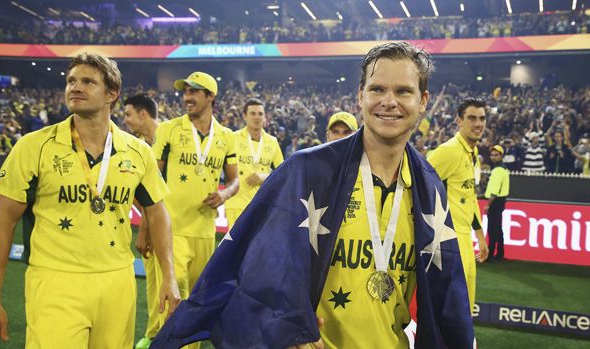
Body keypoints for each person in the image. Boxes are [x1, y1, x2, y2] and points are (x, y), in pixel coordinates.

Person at [152, 41, 473, 349]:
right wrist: (280, 331)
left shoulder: (428, 188)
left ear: (424, 100)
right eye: (377, 89)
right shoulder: (306, 171)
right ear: (360, 95)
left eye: (403, 91)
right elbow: (251, 275)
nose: (389, 101)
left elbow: (446, 298)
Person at [0, 53, 180, 349]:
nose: (75, 87)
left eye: (88, 82)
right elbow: (2, 223)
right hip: (55, 281)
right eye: (71, 81)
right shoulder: (33, 147)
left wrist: (169, 277)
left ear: (111, 94)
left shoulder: (138, 152)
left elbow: (158, 213)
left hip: (117, 282)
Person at [152, 71, 239, 348]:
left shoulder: (226, 137)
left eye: (193, 92)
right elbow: (151, 180)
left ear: (210, 96)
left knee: (199, 300)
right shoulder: (168, 129)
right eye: (185, 92)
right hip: (172, 228)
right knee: (173, 293)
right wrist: (146, 226)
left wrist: (224, 193)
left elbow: (234, 180)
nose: (186, 97)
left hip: (204, 230)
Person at [427, 97, 489, 313]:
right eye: (471, 118)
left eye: (481, 118)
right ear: (459, 121)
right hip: (448, 241)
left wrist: (480, 236)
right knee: (453, 309)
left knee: (465, 306)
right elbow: (419, 185)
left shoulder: (474, 155)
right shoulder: (449, 150)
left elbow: (470, 197)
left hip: (465, 239)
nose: (478, 123)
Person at [122, 94, 165, 349]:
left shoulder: (168, 139)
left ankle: (171, 333)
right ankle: (153, 332)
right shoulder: (135, 145)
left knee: (169, 280)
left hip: (172, 225)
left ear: (143, 113)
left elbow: (160, 194)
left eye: (128, 114)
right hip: (151, 220)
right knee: (152, 280)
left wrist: (144, 228)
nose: (125, 120)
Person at [224, 98, 283, 229]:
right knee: (237, 249)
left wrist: (264, 177)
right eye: (253, 113)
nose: (257, 117)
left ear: (265, 116)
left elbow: (283, 174)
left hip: (261, 204)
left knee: (259, 249)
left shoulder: (272, 142)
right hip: (236, 204)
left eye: (260, 114)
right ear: (244, 116)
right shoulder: (233, 138)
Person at [484, 145, 510, 261]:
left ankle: (490, 255)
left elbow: (494, 191)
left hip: (495, 202)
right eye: (492, 155)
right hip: (501, 201)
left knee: (492, 229)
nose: (493, 157)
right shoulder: (503, 168)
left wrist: (488, 204)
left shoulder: (498, 170)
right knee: (498, 228)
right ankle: (500, 253)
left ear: (501, 156)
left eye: (496, 155)